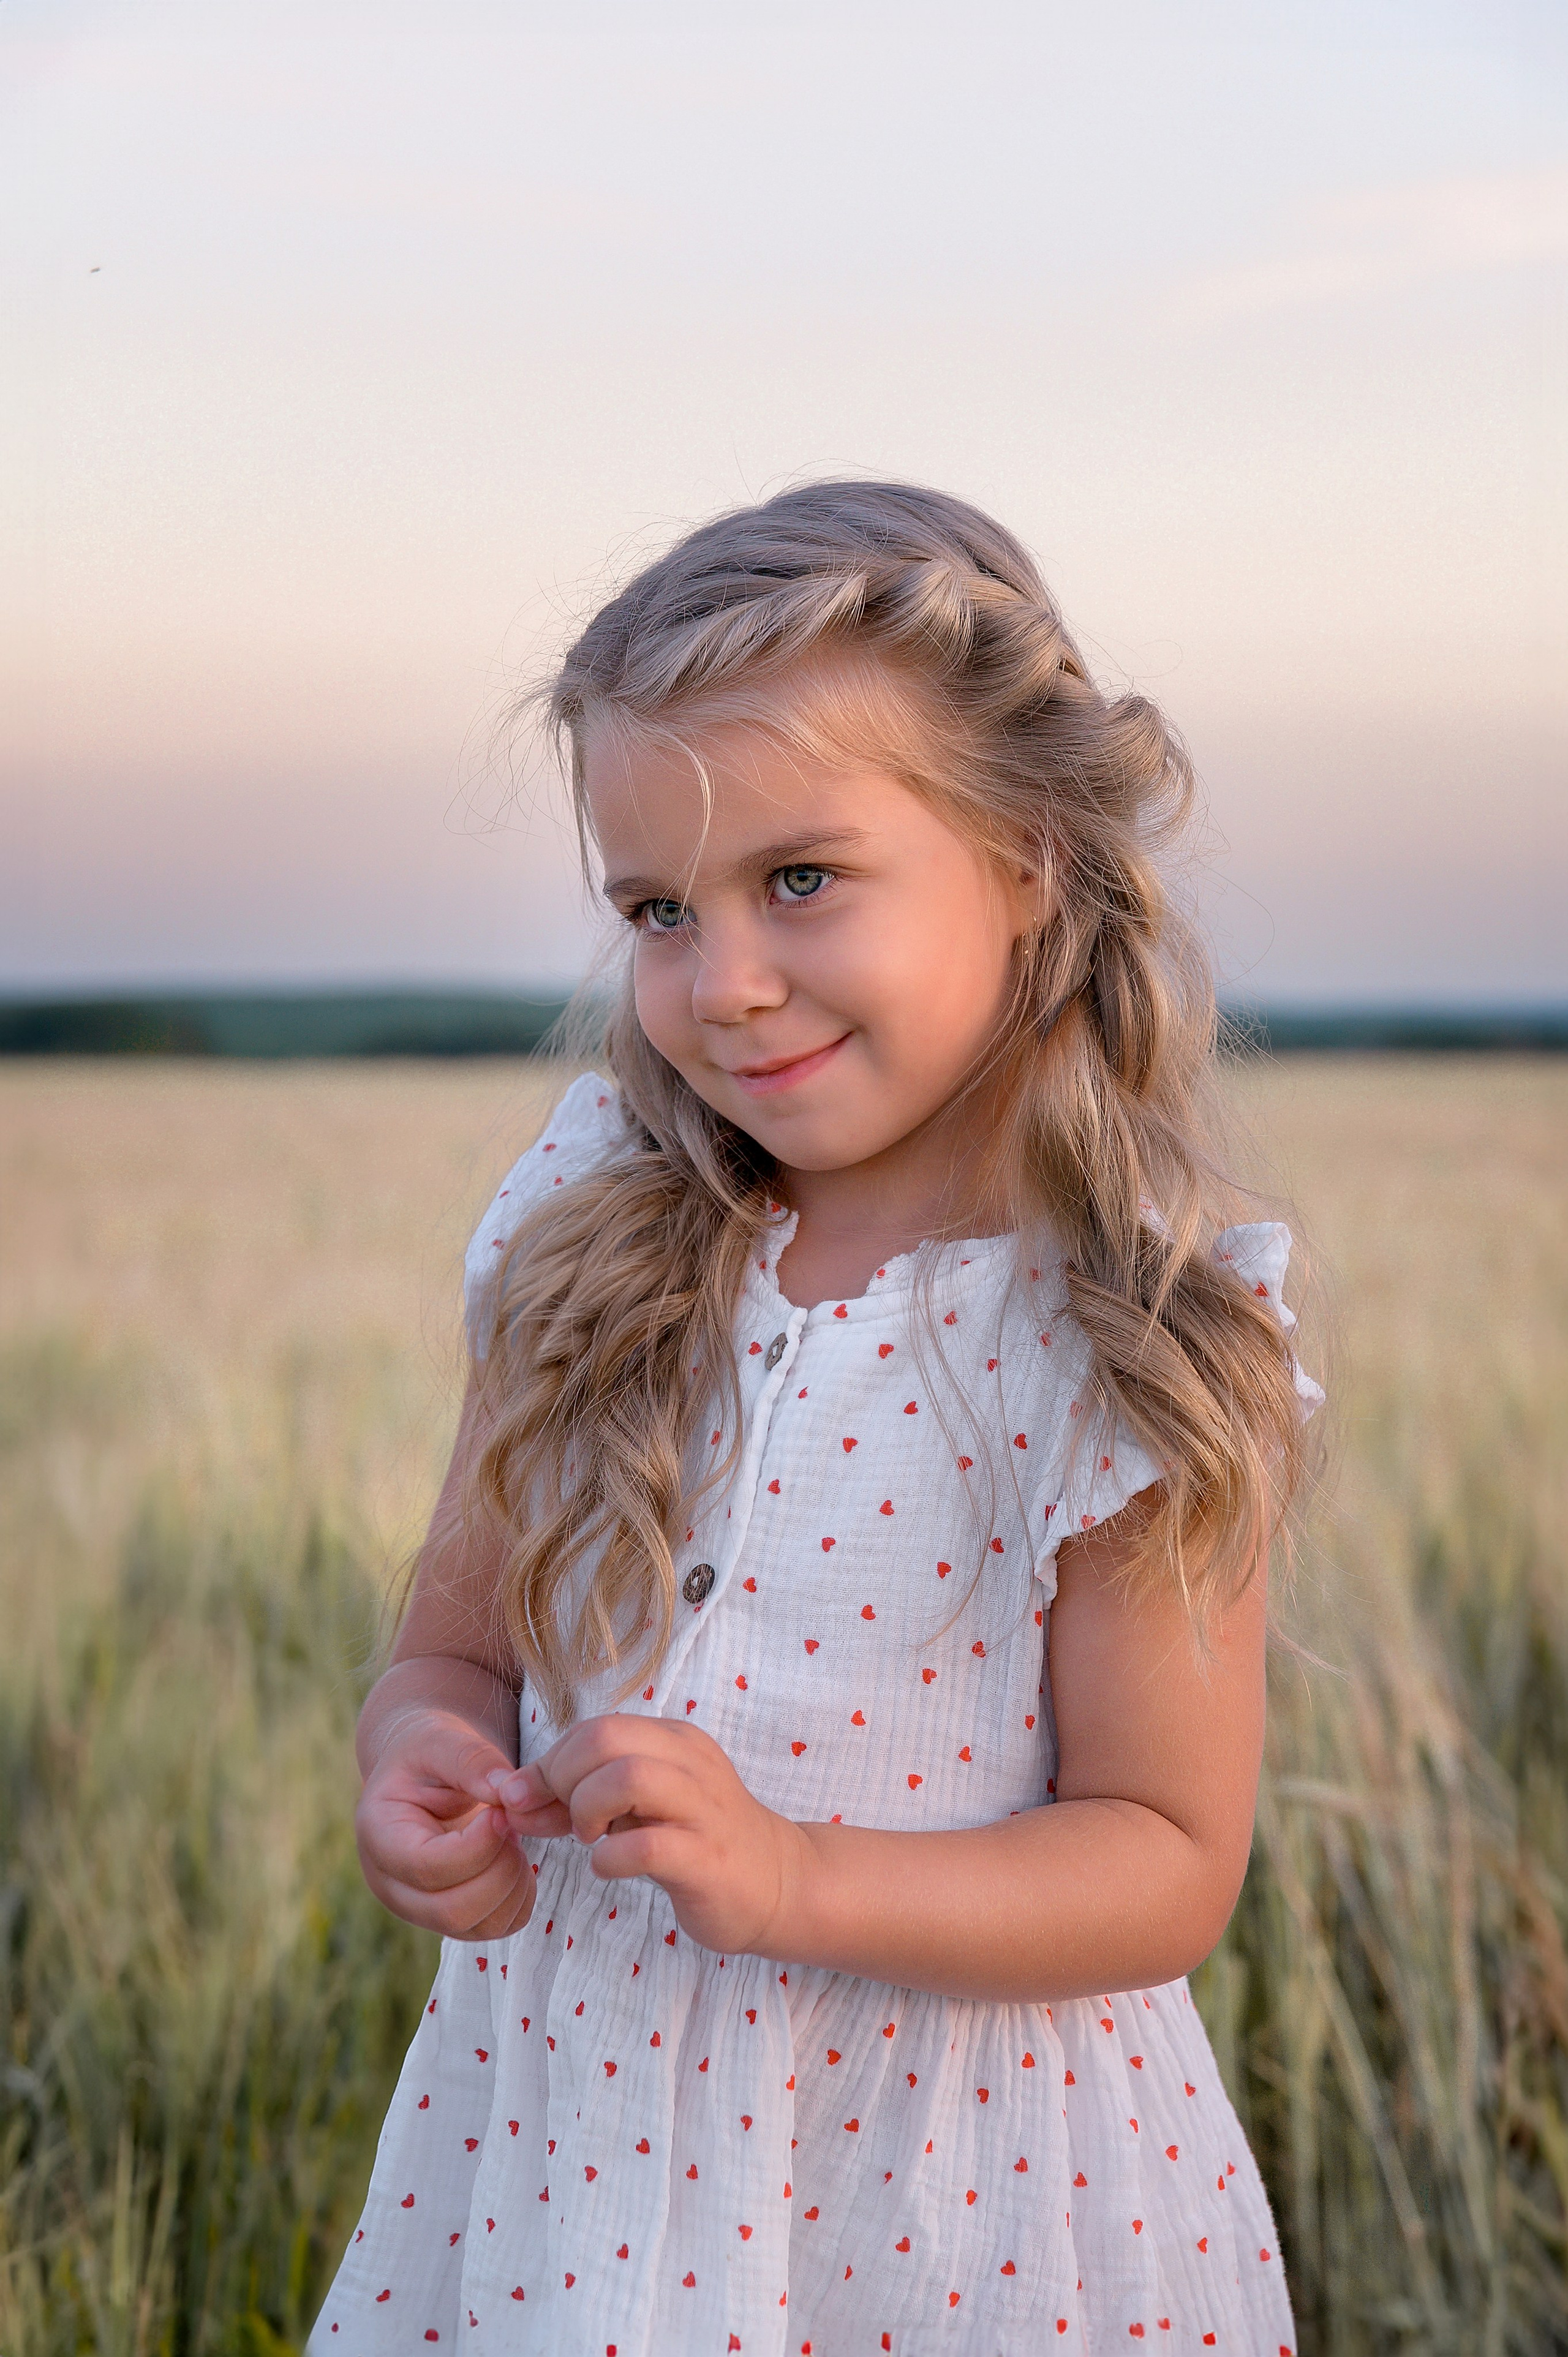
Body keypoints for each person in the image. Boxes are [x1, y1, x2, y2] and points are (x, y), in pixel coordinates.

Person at [311, 480, 1320, 2356]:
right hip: (575, 2166)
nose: (725, 982)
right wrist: (420, 1762)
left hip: (961, 2215)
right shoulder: (590, 1244)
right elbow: (449, 1652)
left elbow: (1165, 1852)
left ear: (1029, 854)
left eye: (800, 881)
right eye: (656, 910)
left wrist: (796, 1878)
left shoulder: (1123, 1337)